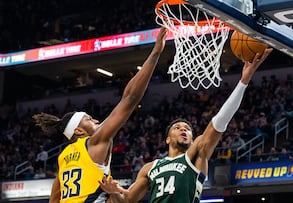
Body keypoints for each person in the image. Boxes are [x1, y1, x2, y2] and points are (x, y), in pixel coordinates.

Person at [99, 48, 273, 203]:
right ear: (167, 139)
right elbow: (128, 199)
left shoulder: (196, 154)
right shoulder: (150, 167)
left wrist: (243, 82)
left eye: (188, 129)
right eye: (178, 128)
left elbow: (219, 123)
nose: (184, 129)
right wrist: (113, 192)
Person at [32, 27, 167, 203]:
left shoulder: (63, 156)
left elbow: (54, 199)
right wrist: (155, 53)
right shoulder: (94, 141)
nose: (96, 120)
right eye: (88, 119)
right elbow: (130, 98)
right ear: (79, 131)